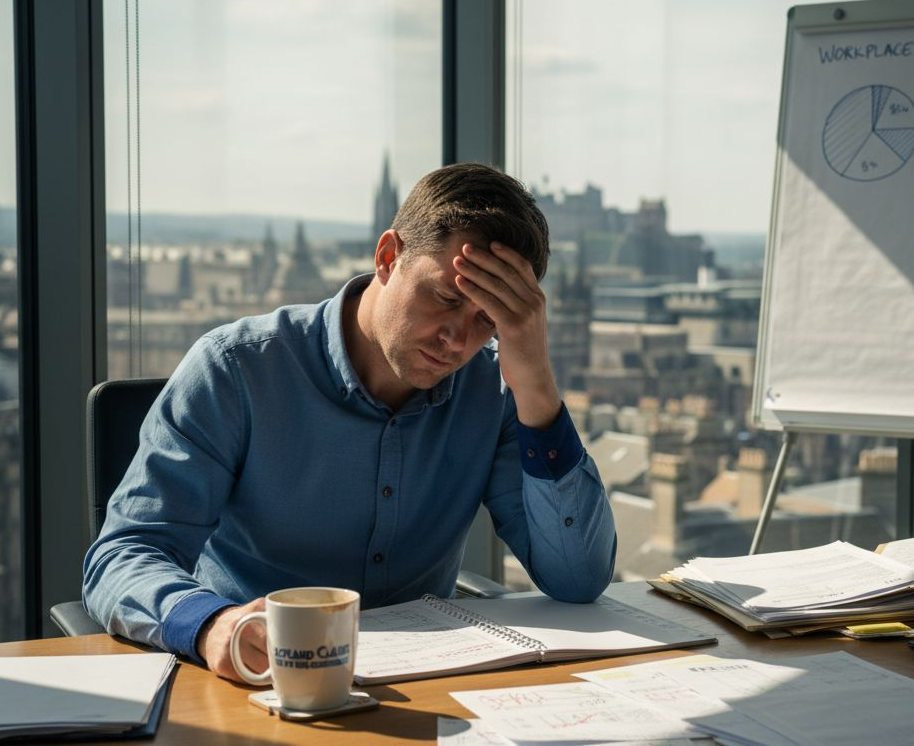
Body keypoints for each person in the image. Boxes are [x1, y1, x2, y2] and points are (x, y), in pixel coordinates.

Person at [82, 162, 617, 681]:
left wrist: (537, 384)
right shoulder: (236, 369)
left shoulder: (495, 392)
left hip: (428, 687)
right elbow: (123, 556)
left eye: (488, 319)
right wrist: (210, 624)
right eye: (445, 297)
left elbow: (577, 579)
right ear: (388, 256)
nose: (456, 338)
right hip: (259, 678)